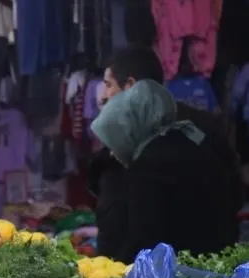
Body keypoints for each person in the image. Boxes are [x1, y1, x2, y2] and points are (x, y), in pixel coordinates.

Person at [90, 46, 242, 259]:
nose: (103, 97)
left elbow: (137, 239)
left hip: (175, 276)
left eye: (108, 85)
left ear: (131, 86)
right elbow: (235, 195)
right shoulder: (200, 129)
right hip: (218, 265)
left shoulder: (141, 152)